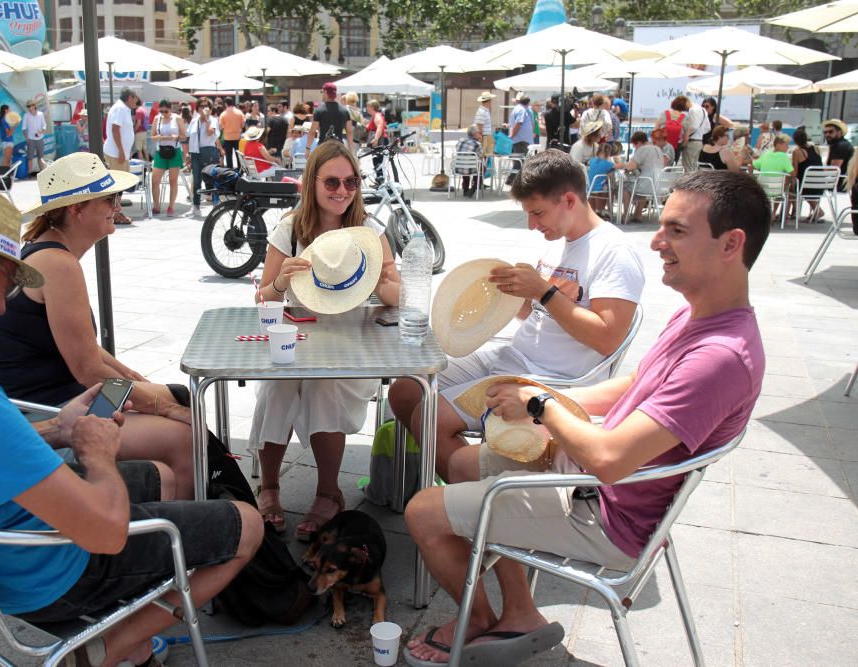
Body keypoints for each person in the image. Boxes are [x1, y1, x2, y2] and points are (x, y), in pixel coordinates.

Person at [0, 180, 262, 667]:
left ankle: (130, 638)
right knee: (247, 525)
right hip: (50, 578)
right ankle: (102, 650)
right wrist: (96, 453)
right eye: (7, 283)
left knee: (164, 475)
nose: (3, 306)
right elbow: (107, 533)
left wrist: (58, 430)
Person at [402, 169, 768, 665]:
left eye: (677, 231)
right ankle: (520, 611)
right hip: (590, 482)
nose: (658, 241)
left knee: (422, 512)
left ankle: (483, 618)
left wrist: (541, 406)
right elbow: (635, 383)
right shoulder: (698, 316)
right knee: (465, 464)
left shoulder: (720, 356)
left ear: (732, 244)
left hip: (606, 514)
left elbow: (609, 460)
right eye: (662, 227)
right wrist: (541, 392)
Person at [389, 150, 644, 480]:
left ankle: (462, 500)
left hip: (550, 378)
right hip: (514, 357)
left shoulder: (614, 252)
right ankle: (450, 481)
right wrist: (510, 294)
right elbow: (540, 313)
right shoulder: (560, 240)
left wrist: (543, 291)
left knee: (430, 416)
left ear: (569, 200)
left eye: (538, 213)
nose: (532, 224)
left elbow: (608, 338)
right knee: (406, 389)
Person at [0, 153, 200, 499]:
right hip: (41, 414)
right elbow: (87, 368)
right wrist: (161, 406)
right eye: (109, 198)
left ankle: (171, 502)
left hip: (53, 400)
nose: (118, 204)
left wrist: (139, 383)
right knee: (185, 432)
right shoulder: (58, 264)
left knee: (176, 396)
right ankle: (186, 532)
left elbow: (87, 350)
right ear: (76, 209)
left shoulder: (45, 252)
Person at [251, 141, 400, 541]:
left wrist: (385, 281)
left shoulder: (369, 231)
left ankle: (329, 491)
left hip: (351, 341)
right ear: (311, 182)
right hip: (298, 335)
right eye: (332, 181)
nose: (342, 190)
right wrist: (281, 282)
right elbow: (262, 296)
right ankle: (269, 486)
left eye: (351, 181)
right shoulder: (290, 228)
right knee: (277, 387)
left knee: (323, 385)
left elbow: (397, 295)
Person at [615, 131, 665, 223]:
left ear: (638, 143)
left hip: (647, 184)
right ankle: (638, 215)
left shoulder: (643, 149)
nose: (635, 148)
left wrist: (618, 165)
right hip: (659, 185)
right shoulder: (657, 149)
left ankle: (625, 214)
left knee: (624, 186)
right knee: (641, 185)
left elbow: (630, 166)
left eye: (634, 146)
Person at [150, 99, 186, 218]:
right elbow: (152, 136)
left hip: (174, 151)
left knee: (173, 180)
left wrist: (175, 137)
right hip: (160, 151)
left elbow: (184, 136)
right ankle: (156, 206)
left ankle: (171, 206)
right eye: (161, 111)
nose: (163, 113)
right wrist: (159, 137)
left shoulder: (177, 118)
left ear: (170, 109)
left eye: (166, 111)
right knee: (155, 180)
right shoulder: (157, 118)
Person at [187, 99, 221, 218]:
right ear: (198, 108)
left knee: (211, 180)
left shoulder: (213, 120)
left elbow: (210, 133)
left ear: (210, 108)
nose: (204, 108)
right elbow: (189, 137)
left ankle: (216, 206)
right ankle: (196, 206)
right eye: (201, 106)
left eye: (206, 106)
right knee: (196, 181)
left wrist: (206, 119)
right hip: (195, 153)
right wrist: (188, 154)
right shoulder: (194, 121)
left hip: (208, 152)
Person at [753, 133, 794, 222]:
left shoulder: (765, 154)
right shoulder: (784, 157)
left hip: (763, 187)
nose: (788, 147)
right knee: (784, 189)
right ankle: (774, 213)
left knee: (776, 188)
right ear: (779, 145)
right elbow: (792, 173)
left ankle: (768, 213)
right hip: (777, 189)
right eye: (786, 145)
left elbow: (753, 165)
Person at [307, 82, 353, 155]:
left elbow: (312, 132)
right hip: (339, 148)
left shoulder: (319, 110)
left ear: (325, 92)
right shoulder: (345, 111)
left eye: (322, 92)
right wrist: (351, 150)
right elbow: (349, 132)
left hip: (323, 147)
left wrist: (308, 148)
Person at [792, 127, 825, 222]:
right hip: (820, 185)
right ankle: (815, 211)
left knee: (791, 188)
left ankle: (793, 212)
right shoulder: (816, 148)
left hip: (806, 187)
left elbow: (795, 172)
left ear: (795, 141)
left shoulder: (797, 152)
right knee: (803, 185)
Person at [104, 89, 139, 175]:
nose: (137, 101)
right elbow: (115, 129)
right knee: (120, 184)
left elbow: (124, 131)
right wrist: (121, 151)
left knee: (124, 182)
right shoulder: (120, 108)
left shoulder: (123, 108)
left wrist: (126, 150)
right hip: (115, 154)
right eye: (136, 98)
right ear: (130, 97)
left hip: (120, 154)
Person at [679, 97, 711, 172]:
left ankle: (690, 183)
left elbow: (694, 126)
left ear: (686, 102)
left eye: (684, 107)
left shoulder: (692, 109)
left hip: (692, 141)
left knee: (688, 167)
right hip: (699, 141)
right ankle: (695, 182)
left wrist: (686, 134)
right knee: (694, 166)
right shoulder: (703, 110)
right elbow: (708, 127)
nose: (685, 110)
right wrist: (699, 134)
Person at [823, 119, 853, 191]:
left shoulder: (840, 146)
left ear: (839, 132)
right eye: (825, 132)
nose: (827, 134)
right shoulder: (841, 144)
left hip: (839, 184)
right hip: (842, 182)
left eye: (831, 132)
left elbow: (833, 169)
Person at [454, 126, 484, 197]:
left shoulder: (460, 140)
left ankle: (465, 189)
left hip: (458, 168)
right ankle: (474, 187)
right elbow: (481, 156)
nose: (480, 134)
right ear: (474, 134)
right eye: (478, 133)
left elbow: (457, 150)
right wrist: (479, 141)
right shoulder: (477, 144)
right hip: (471, 168)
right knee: (482, 168)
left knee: (466, 164)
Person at [586, 142, 614, 216]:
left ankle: (595, 210)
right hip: (599, 188)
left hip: (589, 187)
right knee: (610, 189)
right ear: (608, 154)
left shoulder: (592, 161)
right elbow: (616, 167)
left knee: (597, 188)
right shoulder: (607, 164)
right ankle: (603, 209)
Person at [21, 100, 47, 175]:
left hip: (40, 138)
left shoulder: (40, 114)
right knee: (30, 157)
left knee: (41, 157)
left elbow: (44, 125)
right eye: (28, 106)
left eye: (30, 106)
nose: (29, 108)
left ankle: (43, 173)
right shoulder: (26, 115)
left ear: (34, 106)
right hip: (31, 139)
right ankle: (29, 173)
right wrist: (27, 138)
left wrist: (42, 131)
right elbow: (24, 128)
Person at [219, 96, 245, 169]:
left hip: (227, 138)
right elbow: (243, 124)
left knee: (228, 156)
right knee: (238, 155)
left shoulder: (223, 114)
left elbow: (220, 126)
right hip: (237, 137)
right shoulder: (240, 112)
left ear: (225, 104)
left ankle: (230, 171)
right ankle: (240, 170)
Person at [473, 92, 496, 160]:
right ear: (489, 101)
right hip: (484, 137)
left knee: (486, 158)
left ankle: (484, 170)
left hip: (486, 137)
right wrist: (481, 140)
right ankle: (483, 170)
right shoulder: (482, 111)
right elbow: (479, 127)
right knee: (484, 159)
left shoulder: (484, 111)